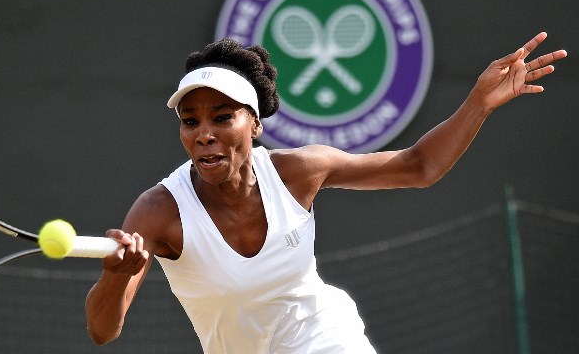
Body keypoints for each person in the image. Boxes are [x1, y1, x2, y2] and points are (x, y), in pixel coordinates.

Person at [85, 33, 566, 353]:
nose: (203, 133)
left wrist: (478, 103)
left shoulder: (301, 170)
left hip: (327, 338)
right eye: (191, 122)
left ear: (253, 124)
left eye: (221, 117)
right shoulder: (158, 211)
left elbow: (419, 166)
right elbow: (102, 331)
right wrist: (113, 277)